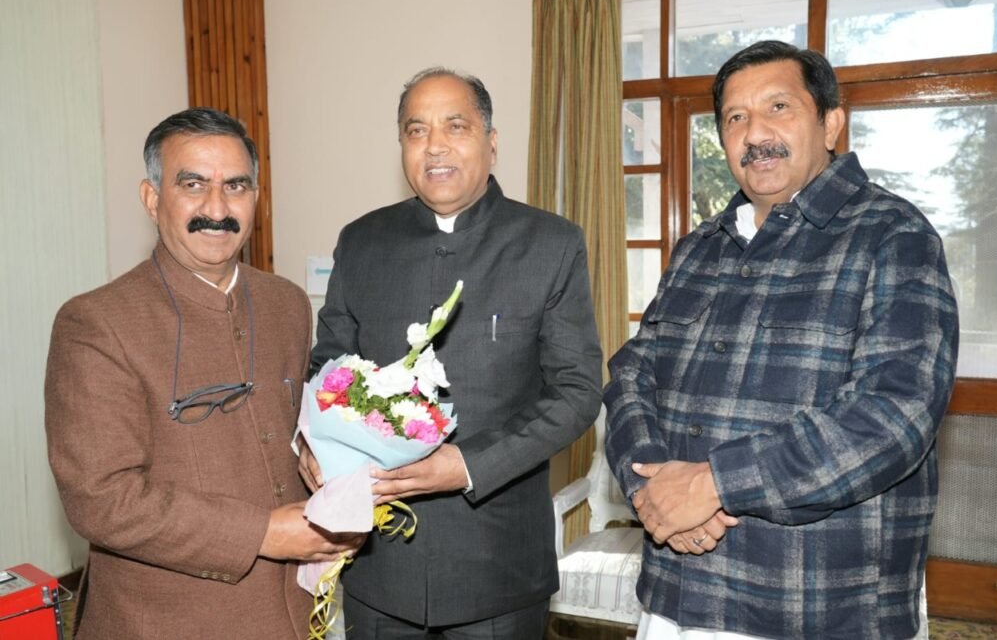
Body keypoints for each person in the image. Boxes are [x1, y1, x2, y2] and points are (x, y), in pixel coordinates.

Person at [604, 40, 959, 640]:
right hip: (678, 589)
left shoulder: (893, 235)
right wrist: (651, 484)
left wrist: (714, 483)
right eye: (735, 117)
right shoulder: (698, 248)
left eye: (778, 108)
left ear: (830, 124)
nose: (754, 133)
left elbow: (894, 415)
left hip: (813, 606)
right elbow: (633, 374)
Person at [300, 67, 603, 638]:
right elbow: (327, 369)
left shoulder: (551, 243)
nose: (434, 145)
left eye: (455, 126)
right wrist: (312, 445)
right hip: (377, 567)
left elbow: (577, 392)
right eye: (416, 130)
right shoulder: (361, 241)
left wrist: (467, 465)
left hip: (498, 568)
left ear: (491, 141)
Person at [45, 107, 364, 640]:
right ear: (152, 198)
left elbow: (291, 431)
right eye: (193, 184)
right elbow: (101, 499)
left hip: (293, 611)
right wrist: (263, 533)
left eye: (236, 186)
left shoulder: (286, 303)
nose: (217, 208)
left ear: (256, 198)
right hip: (164, 620)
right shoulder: (96, 322)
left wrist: (328, 469)